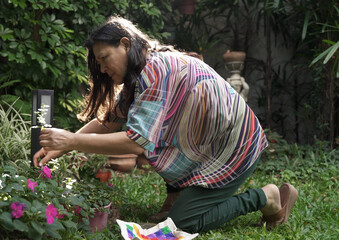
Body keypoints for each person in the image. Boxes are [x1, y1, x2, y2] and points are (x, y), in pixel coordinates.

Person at [33, 16, 298, 233]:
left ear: (125, 44)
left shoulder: (155, 72)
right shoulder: (140, 75)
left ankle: (268, 197)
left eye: (104, 58)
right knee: (159, 131)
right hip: (208, 147)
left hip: (235, 148)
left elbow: (135, 141)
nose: (101, 69)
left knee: (183, 224)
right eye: (98, 62)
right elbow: (108, 122)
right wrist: (63, 147)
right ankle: (178, 195)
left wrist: (71, 141)